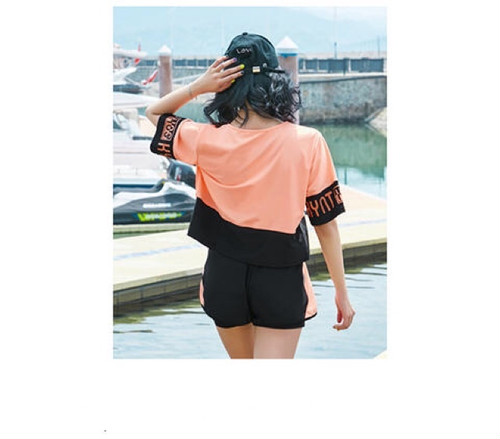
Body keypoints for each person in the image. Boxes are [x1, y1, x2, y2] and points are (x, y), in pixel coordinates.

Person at [146, 32, 355, 359]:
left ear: (226, 81)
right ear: (276, 80)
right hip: (280, 275)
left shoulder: (206, 139)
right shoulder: (308, 142)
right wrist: (341, 292)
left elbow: (154, 114)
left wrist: (198, 87)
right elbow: (325, 225)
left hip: (224, 274)